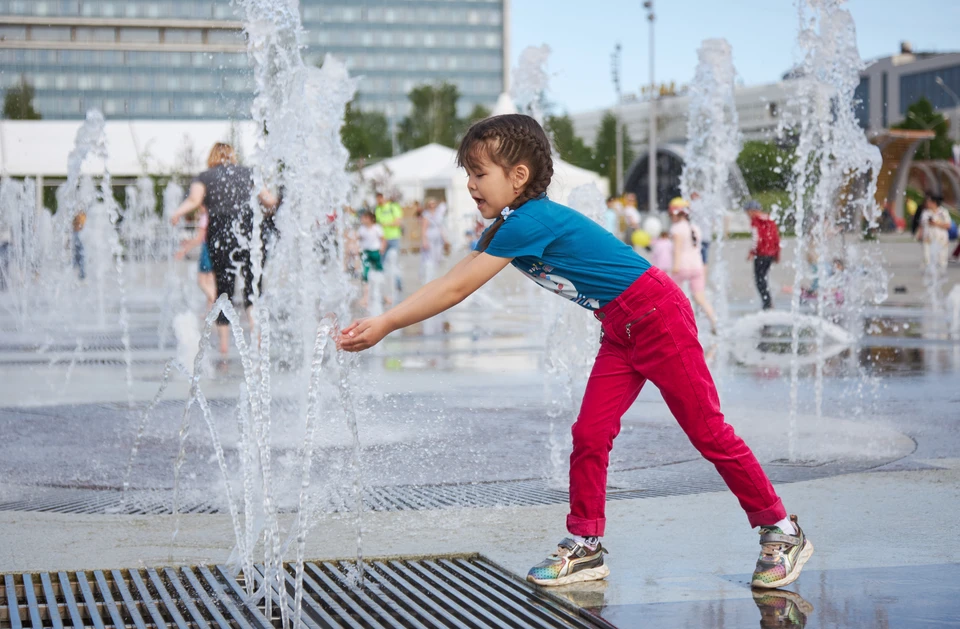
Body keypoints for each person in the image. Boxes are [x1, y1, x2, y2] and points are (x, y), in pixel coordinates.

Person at [339, 114, 813, 590]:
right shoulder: (508, 225)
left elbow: (457, 289)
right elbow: (450, 279)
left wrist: (386, 323)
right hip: (621, 327)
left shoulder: (531, 219)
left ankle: (781, 530)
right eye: (468, 174)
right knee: (590, 433)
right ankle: (585, 545)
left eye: (479, 174)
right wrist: (385, 319)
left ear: (518, 176)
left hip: (658, 316)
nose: (469, 185)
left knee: (708, 431)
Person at [169, 143, 277, 357]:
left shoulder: (205, 176)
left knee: (224, 292)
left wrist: (177, 212)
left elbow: (194, 200)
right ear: (232, 156)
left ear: (211, 157)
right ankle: (257, 341)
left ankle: (225, 348)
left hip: (220, 235)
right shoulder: (249, 173)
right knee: (252, 290)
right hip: (249, 234)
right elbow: (269, 200)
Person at [667, 197, 717, 334]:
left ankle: (678, 326)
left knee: (674, 298)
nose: (670, 217)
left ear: (677, 213)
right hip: (697, 266)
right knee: (700, 297)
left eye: (671, 214)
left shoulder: (676, 228)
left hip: (682, 266)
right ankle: (714, 320)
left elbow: (677, 250)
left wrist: (674, 269)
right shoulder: (694, 227)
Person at [174, 208, 217, 312]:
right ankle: (210, 311)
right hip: (214, 249)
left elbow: (199, 238)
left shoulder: (204, 218)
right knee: (210, 282)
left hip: (206, 251)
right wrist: (188, 242)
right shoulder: (213, 215)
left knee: (202, 282)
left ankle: (216, 302)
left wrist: (184, 250)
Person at [745, 200, 781, 311]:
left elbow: (756, 238)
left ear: (752, 211)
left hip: (761, 253)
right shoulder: (770, 219)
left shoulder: (755, 221)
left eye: (747, 212)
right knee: (764, 277)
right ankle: (768, 302)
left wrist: (752, 252)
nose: (747, 215)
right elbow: (776, 237)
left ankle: (767, 303)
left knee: (759, 279)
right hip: (770, 253)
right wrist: (777, 253)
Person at [375, 192, 404, 295]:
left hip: (394, 238)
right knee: (381, 262)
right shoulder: (377, 209)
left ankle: (398, 284)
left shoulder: (393, 207)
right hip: (382, 239)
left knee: (393, 261)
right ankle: (383, 284)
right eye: (377, 198)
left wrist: (385, 224)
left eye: (380, 198)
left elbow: (398, 222)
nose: (379, 200)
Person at [357, 210, 386, 309]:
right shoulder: (362, 229)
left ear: (369, 218)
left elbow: (383, 239)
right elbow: (358, 238)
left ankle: (383, 295)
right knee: (365, 274)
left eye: (364, 218)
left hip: (375, 252)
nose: (362, 219)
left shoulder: (377, 228)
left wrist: (382, 247)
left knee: (379, 273)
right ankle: (365, 297)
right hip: (365, 252)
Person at [918, 192, 951, 272]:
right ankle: (929, 275)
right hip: (928, 239)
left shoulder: (943, 212)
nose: (927, 204)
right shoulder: (925, 213)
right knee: (927, 258)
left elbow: (948, 225)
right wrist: (920, 234)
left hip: (941, 239)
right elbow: (921, 224)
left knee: (942, 259)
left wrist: (935, 223)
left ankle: (941, 275)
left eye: (929, 202)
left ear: (934, 202)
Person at [420, 197, 447, 283]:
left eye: (434, 203)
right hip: (430, 237)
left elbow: (440, 227)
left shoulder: (438, 214)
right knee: (429, 258)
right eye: (430, 204)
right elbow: (424, 228)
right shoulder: (426, 214)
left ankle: (435, 277)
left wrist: (445, 239)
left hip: (438, 239)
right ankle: (428, 279)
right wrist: (424, 241)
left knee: (438, 257)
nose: (432, 206)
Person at [72, 210, 86, 281]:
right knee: (79, 255)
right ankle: (79, 273)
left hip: (78, 234)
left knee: (79, 255)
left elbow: (80, 225)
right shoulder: (82, 215)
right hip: (77, 234)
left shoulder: (81, 215)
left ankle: (81, 273)